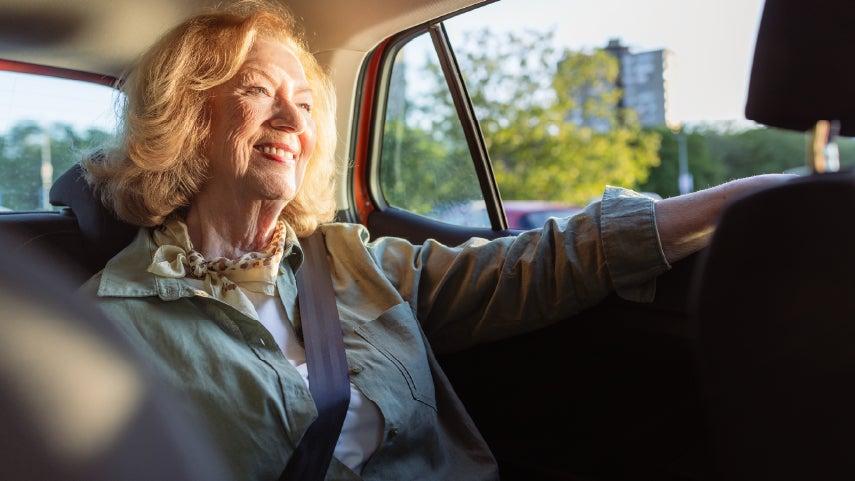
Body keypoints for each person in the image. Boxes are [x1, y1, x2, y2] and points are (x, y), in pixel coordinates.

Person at [80, 1, 790, 480]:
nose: (291, 118)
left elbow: (538, 265)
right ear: (186, 116)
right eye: (259, 91)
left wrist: (753, 197)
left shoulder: (354, 262)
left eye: (303, 102)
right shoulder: (98, 323)